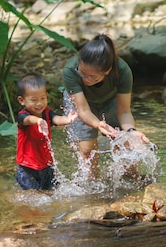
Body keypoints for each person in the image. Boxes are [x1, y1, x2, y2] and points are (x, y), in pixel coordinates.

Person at [62, 33, 150, 178]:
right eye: (82, 73)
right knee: (87, 151)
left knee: (125, 145)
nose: (85, 79)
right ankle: (93, 192)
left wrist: (131, 131)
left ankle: (130, 187)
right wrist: (98, 124)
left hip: (110, 101)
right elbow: (83, 110)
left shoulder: (122, 71)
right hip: (80, 102)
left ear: (107, 71)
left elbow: (124, 112)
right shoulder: (70, 70)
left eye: (92, 76)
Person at [15, 73, 77, 190]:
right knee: (31, 195)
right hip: (27, 167)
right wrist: (38, 121)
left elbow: (57, 119)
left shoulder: (47, 113)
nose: (39, 103)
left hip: (46, 165)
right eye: (34, 100)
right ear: (22, 100)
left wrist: (67, 120)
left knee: (51, 191)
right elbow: (28, 120)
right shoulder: (22, 116)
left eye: (43, 98)